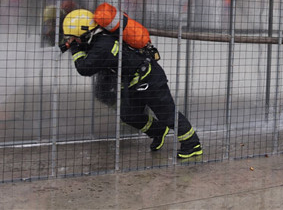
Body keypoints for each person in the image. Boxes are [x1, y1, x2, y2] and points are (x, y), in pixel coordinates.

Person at [61, 9, 203, 159]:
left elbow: (84, 68)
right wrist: (77, 45)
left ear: (85, 33)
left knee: (167, 114)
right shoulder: (100, 39)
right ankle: (158, 131)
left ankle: (192, 145)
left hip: (150, 79)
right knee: (128, 114)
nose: (74, 41)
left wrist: (75, 50)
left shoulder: (103, 46)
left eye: (75, 38)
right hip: (133, 82)